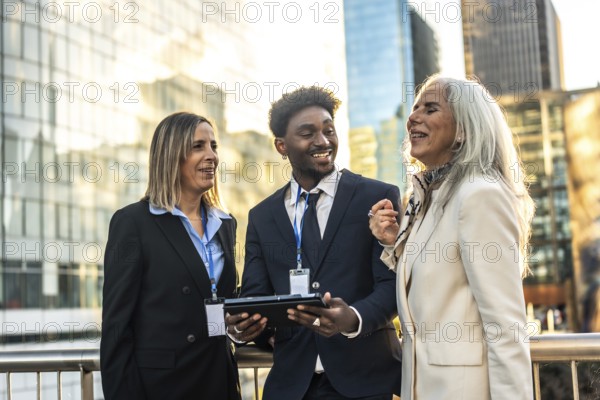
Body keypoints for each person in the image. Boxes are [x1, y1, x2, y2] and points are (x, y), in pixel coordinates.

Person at [225, 86, 402, 400]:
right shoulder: (262, 216)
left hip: (365, 383)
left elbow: (392, 285)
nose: (322, 142)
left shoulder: (377, 197)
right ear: (282, 145)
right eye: (307, 133)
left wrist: (353, 318)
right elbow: (256, 297)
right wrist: (245, 330)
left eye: (328, 130)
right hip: (292, 388)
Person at [369, 74, 535, 400]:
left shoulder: (479, 195)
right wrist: (393, 242)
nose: (413, 117)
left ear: (464, 129)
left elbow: (506, 328)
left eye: (430, 109)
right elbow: (439, 283)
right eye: (415, 108)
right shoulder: (429, 197)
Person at [100, 112, 241, 400]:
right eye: (198, 146)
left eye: (214, 146)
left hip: (218, 382)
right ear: (171, 155)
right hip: (164, 387)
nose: (211, 155)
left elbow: (223, 298)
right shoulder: (134, 223)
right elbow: (117, 328)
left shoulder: (225, 223)